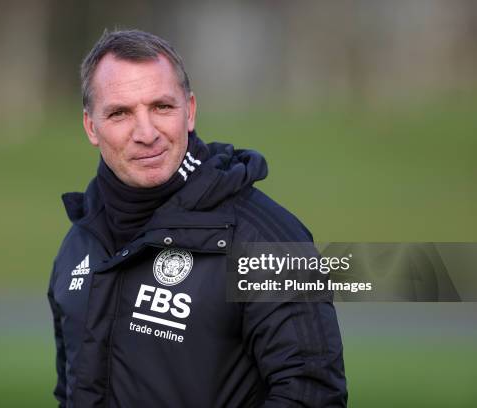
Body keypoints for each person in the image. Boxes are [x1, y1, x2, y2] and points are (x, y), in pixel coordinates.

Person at [47, 29, 347, 407]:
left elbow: (312, 394)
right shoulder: (80, 243)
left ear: (189, 111)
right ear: (92, 127)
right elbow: (70, 394)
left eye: (161, 107)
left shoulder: (266, 240)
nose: (146, 133)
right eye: (120, 113)